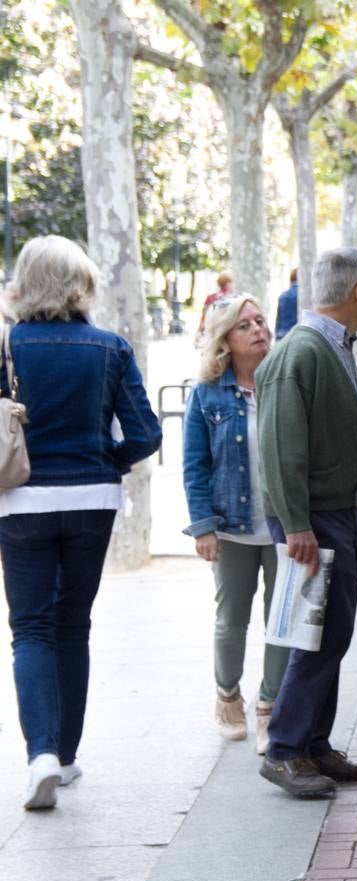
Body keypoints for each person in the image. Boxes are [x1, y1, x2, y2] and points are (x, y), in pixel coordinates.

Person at [0, 236, 162, 810]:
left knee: (33, 628)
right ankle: (65, 758)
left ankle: (40, 753)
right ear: (81, 282)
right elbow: (145, 434)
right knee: (73, 624)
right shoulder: (110, 347)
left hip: (21, 502)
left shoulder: (8, 346)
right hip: (93, 499)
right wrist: (106, 464)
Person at [255, 248, 357, 799]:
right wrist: (296, 523)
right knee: (316, 635)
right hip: (316, 519)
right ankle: (285, 749)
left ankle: (313, 744)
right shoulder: (302, 352)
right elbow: (281, 447)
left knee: (333, 633)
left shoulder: (328, 346)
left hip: (338, 512)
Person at [183, 294, 291, 755]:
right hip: (230, 525)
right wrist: (203, 526)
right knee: (232, 618)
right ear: (225, 338)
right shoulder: (207, 392)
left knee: (283, 620)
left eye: (260, 321)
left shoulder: (285, 380)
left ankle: (269, 707)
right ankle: (228, 696)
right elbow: (194, 464)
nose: (258, 330)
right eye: (245, 325)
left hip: (286, 525)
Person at [275, 268, 299, 339]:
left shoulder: (283, 296)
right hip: (295, 335)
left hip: (282, 334)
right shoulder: (303, 295)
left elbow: (278, 320)